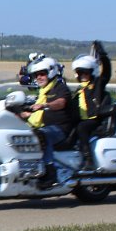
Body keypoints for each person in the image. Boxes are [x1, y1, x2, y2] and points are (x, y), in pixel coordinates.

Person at [18, 56, 74, 188]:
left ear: (51, 72)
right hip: (45, 126)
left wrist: (45, 105)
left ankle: (50, 173)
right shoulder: (42, 92)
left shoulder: (60, 88)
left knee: (42, 134)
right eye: (36, 75)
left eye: (42, 74)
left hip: (60, 129)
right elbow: (36, 111)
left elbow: (61, 102)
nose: (39, 77)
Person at [71, 41, 113, 172]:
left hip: (95, 119)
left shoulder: (98, 84)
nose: (83, 76)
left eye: (85, 73)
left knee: (82, 127)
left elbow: (106, 72)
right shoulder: (79, 90)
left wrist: (103, 55)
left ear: (92, 72)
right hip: (83, 119)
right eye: (80, 73)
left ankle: (88, 160)